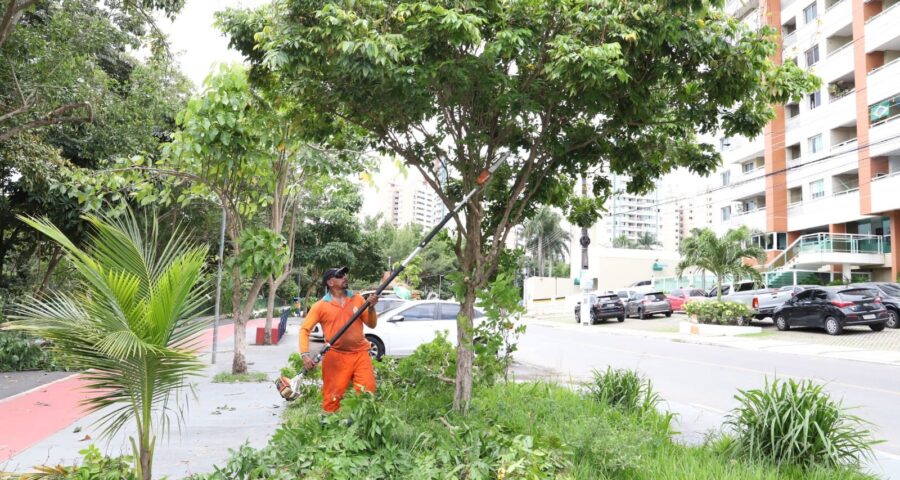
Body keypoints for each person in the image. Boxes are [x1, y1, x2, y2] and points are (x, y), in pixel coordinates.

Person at [298, 266, 379, 413]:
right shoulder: (320, 306)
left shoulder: (357, 299)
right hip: (335, 356)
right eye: (340, 275)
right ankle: (328, 428)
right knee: (332, 397)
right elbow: (305, 330)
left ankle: (360, 429)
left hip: (360, 353)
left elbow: (372, 325)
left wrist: (372, 308)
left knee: (367, 393)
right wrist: (305, 355)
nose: (345, 277)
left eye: (345, 274)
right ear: (330, 282)